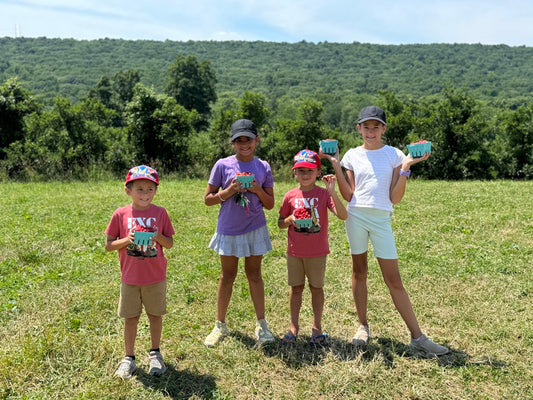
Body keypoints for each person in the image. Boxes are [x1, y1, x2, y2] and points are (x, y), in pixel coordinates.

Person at [323, 106, 449, 356]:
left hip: (381, 220)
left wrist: (406, 167)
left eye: (376, 127)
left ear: (384, 129)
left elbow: (395, 197)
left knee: (394, 280)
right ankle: (362, 326)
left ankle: (417, 337)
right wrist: (336, 163)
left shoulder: (395, 155)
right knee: (359, 272)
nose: (371, 132)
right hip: (356, 217)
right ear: (359, 128)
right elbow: (349, 194)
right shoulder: (351, 155)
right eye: (366, 127)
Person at [203, 119, 276, 347]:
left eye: (248, 139)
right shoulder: (222, 165)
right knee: (227, 276)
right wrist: (229, 191)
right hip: (229, 229)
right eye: (239, 140)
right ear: (232, 142)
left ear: (257, 140)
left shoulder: (263, 166)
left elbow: (271, 203)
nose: (244, 144)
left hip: (255, 228)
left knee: (254, 275)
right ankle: (219, 325)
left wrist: (256, 189)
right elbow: (208, 199)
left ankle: (262, 324)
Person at [105, 165, 175, 379]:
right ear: (128, 190)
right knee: (131, 318)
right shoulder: (120, 214)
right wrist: (129, 240)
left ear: (155, 191)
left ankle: (155, 354)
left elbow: (170, 243)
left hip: (155, 277)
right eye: (140, 189)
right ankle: (129, 358)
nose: (145, 194)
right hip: (130, 277)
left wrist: (157, 237)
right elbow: (109, 245)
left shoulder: (160, 213)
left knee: (155, 315)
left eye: (150, 189)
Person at [278, 150, 348, 345]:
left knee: (317, 288)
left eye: (310, 170)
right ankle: (294, 326)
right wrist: (290, 220)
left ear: (318, 172)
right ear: (294, 173)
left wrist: (332, 191)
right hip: (295, 252)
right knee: (296, 288)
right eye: (300, 170)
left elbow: (343, 215)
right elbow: (280, 222)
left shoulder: (323, 194)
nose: (305, 174)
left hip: (317, 252)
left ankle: (317, 328)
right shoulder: (290, 196)